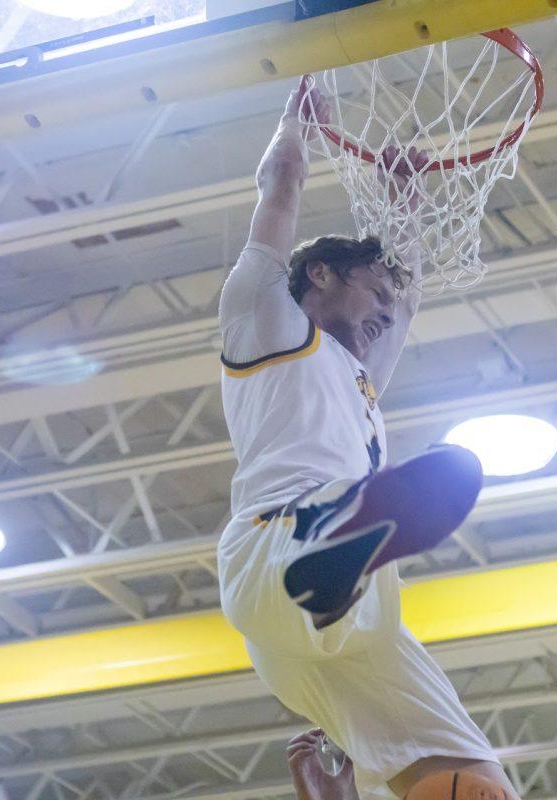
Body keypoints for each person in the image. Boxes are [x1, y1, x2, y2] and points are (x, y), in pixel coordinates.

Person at [215, 75, 520, 800]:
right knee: (342, 509)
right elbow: (281, 187)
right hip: (271, 546)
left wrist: (404, 204)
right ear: (318, 273)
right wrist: (295, 122)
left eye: (387, 297)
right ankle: (340, 537)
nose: (388, 307)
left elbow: (407, 297)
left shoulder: (357, 377)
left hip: (342, 626)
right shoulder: (268, 322)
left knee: (479, 785)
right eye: (371, 290)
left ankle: (349, 545)